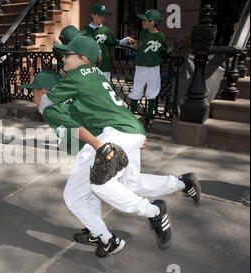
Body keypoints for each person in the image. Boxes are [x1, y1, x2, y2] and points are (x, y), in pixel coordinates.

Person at [34, 36, 201, 257]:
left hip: (114, 134)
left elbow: (48, 101)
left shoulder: (76, 76)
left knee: (85, 191)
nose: (63, 58)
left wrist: (45, 105)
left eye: (68, 54)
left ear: (83, 59)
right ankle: (181, 182)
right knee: (130, 183)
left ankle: (152, 212)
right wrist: (135, 133)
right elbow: (119, 104)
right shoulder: (96, 76)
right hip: (129, 128)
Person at [129, 9, 169, 127]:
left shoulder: (160, 36)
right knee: (137, 89)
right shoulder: (143, 33)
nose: (142, 21)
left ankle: (148, 116)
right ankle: (131, 115)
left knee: (152, 91)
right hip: (140, 66)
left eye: (145, 20)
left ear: (152, 22)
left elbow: (163, 51)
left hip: (153, 67)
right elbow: (141, 46)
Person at [81, 2, 135, 82]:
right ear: (93, 15)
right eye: (100, 16)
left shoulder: (106, 30)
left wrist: (126, 40)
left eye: (104, 16)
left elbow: (115, 42)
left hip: (104, 66)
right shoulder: (85, 30)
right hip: (89, 66)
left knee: (104, 88)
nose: (103, 18)